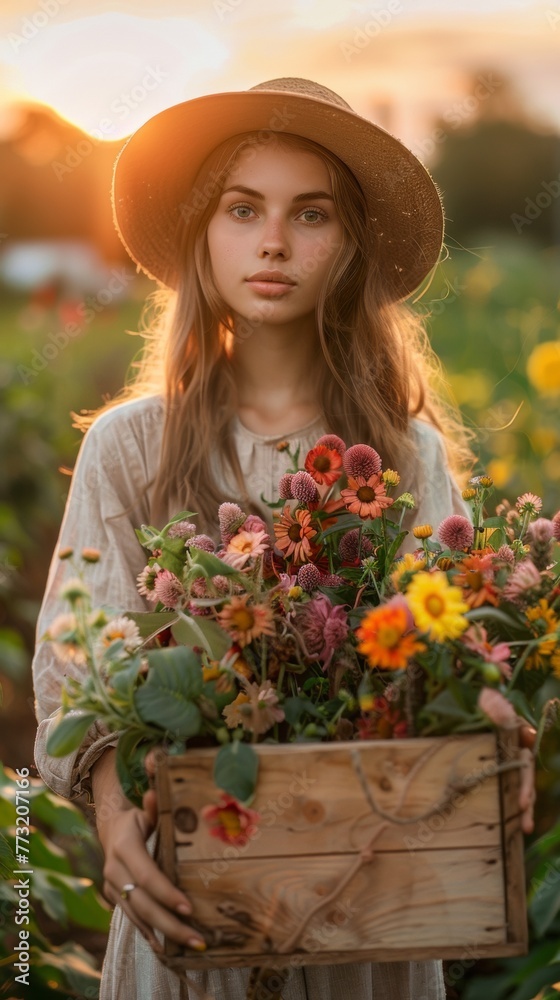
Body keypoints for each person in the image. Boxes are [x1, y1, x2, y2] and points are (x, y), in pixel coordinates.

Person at [32, 77, 535, 1000]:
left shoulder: (405, 453)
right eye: (242, 209)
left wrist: (502, 739)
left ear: (348, 247)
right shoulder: (131, 447)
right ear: (204, 236)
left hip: (364, 897)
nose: (272, 242)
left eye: (311, 214)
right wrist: (111, 818)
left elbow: (455, 651)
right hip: (191, 888)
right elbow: (80, 665)